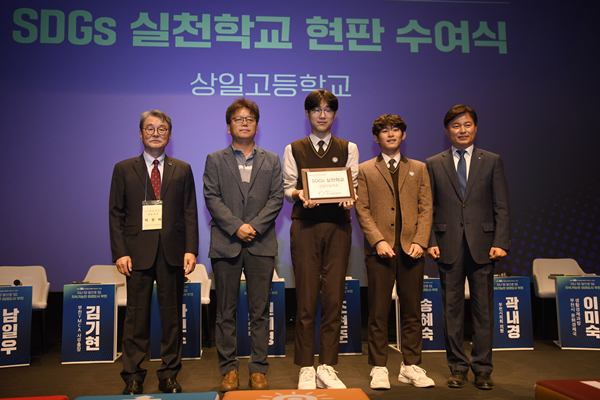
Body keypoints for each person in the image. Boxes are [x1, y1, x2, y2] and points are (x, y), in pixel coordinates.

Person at [109, 110, 199, 395]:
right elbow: (116, 213)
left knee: (172, 318)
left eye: (162, 129)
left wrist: (191, 249)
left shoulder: (182, 169)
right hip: (136, 254)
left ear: (169, 135)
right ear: (140, 134)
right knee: (135, 318)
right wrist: (120, 252)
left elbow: (190, 212)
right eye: (150, 128)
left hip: (172, 252)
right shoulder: (124, 169)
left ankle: (169, 375)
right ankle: (133, 376)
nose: (156, 133)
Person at [426, 104, 511, 390]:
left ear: (475, 127)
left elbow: (502, 206)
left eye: (467, 125)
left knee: (483, 310)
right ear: (446, 130)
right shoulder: (433, 163)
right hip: (447, 245)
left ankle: (483, 368)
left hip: (484, 246)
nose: (462, 130)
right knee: (451, 312)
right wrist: (430, 241)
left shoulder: (492, 160)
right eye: (456, 125)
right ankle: (458, 367)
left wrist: (500, 242)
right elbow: (428, 207)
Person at [203, 98, 284, 392]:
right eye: (238, 119)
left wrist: (254, 226)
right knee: (225, 311)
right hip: (226, 243)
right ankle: (229, 370)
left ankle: (258, 369)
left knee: (259, 311)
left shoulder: (271, 159)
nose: (244, 123)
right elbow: (211, 197)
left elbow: (277, 198)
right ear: (229, 127)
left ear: (257, 126)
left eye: (250, 118)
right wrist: (237, 226)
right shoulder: (215, 159)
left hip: (261, 243)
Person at [282, 89, 358, 389]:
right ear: (307, 114)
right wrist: (299, 193)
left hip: (338, 227)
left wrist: (351, 197)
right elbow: (288, 188)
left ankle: (327, 365)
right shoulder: (293, 148)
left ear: (335, 114)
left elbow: (353, 184)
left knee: (334, 298)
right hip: (305, 227)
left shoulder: (348, 147)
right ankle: (305, 366)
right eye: (316, 110)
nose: (322, 115)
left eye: (328, 109)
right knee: (306, 298)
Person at [355, 114, 434, 390]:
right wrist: (377, 240)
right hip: (380, 250)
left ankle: (410, 366)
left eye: (396, 129)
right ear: (376, 138)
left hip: (412, 250)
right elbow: (362, 209)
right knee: (378, 312)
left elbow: (426, 207)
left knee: (412, 310)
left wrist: (421, 241)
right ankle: (379, 367)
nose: (391, 134)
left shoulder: (419, 168)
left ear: (403, 135)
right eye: (385, 130)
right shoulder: (365, 169)